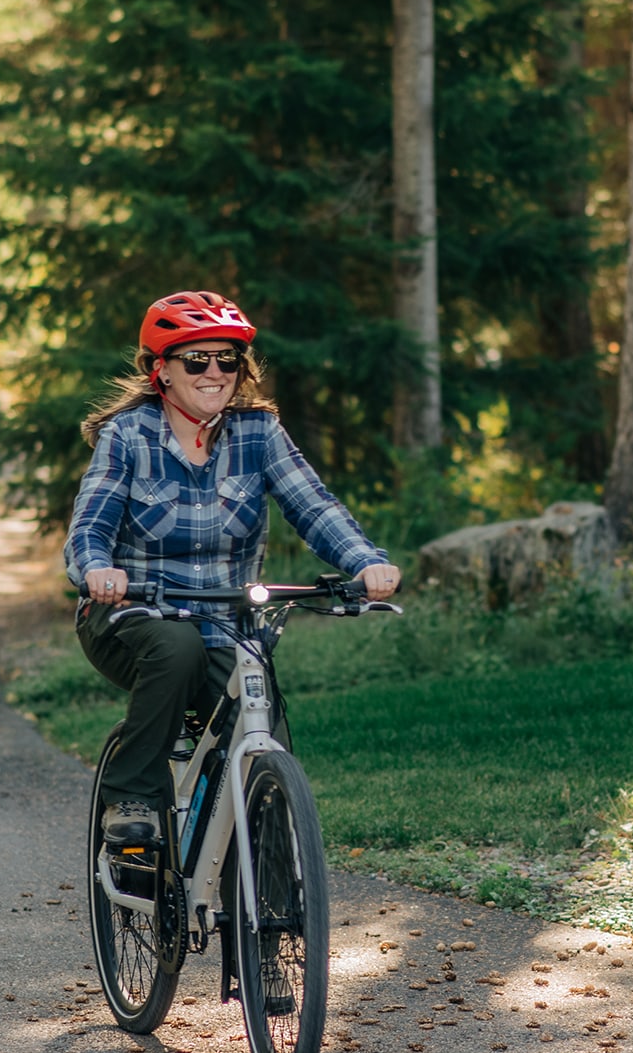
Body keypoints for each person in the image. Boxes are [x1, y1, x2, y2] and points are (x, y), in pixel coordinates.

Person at [66, 290, 401, 845]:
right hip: (130, 615)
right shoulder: (128, 436)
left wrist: (365, 562)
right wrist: (98, 569)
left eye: (228, 359)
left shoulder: (258, 433)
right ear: (161, 371)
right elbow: (89, 529)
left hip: (226, 620)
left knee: (261, 712)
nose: (215, 371)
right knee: (178, 651)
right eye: (197, 360)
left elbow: (312, 506)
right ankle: (132, 797)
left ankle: (268, 878)